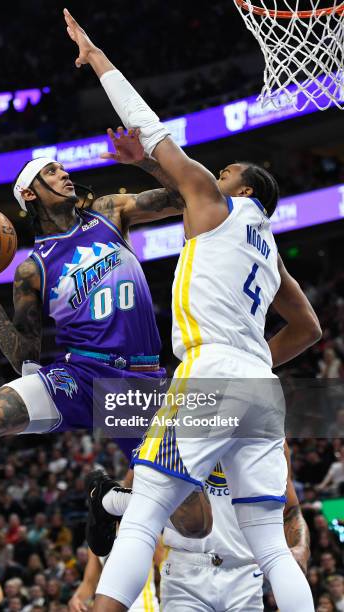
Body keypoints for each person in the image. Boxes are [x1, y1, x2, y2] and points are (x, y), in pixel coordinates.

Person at [63, 8, 322, 612]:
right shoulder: (269, 251)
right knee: (272, 546)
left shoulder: (216, 200)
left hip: (211, 372)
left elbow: (151, 127)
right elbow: (310, 328)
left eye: (229, 170)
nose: (219, 170)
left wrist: (96, 56)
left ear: (246, 189)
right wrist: (256, 360)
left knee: (146, 509)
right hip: (259, 381)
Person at [0, 121, 210, 553]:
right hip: (79, 375)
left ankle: (109, 500)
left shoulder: (109, 212)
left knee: (195, 525)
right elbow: (24, 352)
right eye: (52, 172)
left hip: (139, 383)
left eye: (63, 169)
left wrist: (148, 163)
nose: (64, 174)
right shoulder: (32, 269)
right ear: (29, 194)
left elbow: (187, 195)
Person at [92, 443, 309, 611]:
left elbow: (291, 509)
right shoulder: (182, 416)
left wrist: (301, 546)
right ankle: (108, 499)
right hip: (186, 569)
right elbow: (138, 489)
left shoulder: (268, 436)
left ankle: (109, 499)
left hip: (244, 572)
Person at [69, 545, 164, 612]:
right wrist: (76, 598)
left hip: (143, 608)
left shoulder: (149, 526)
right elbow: (89, 583)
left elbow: (166, 573)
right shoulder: (97, 536)